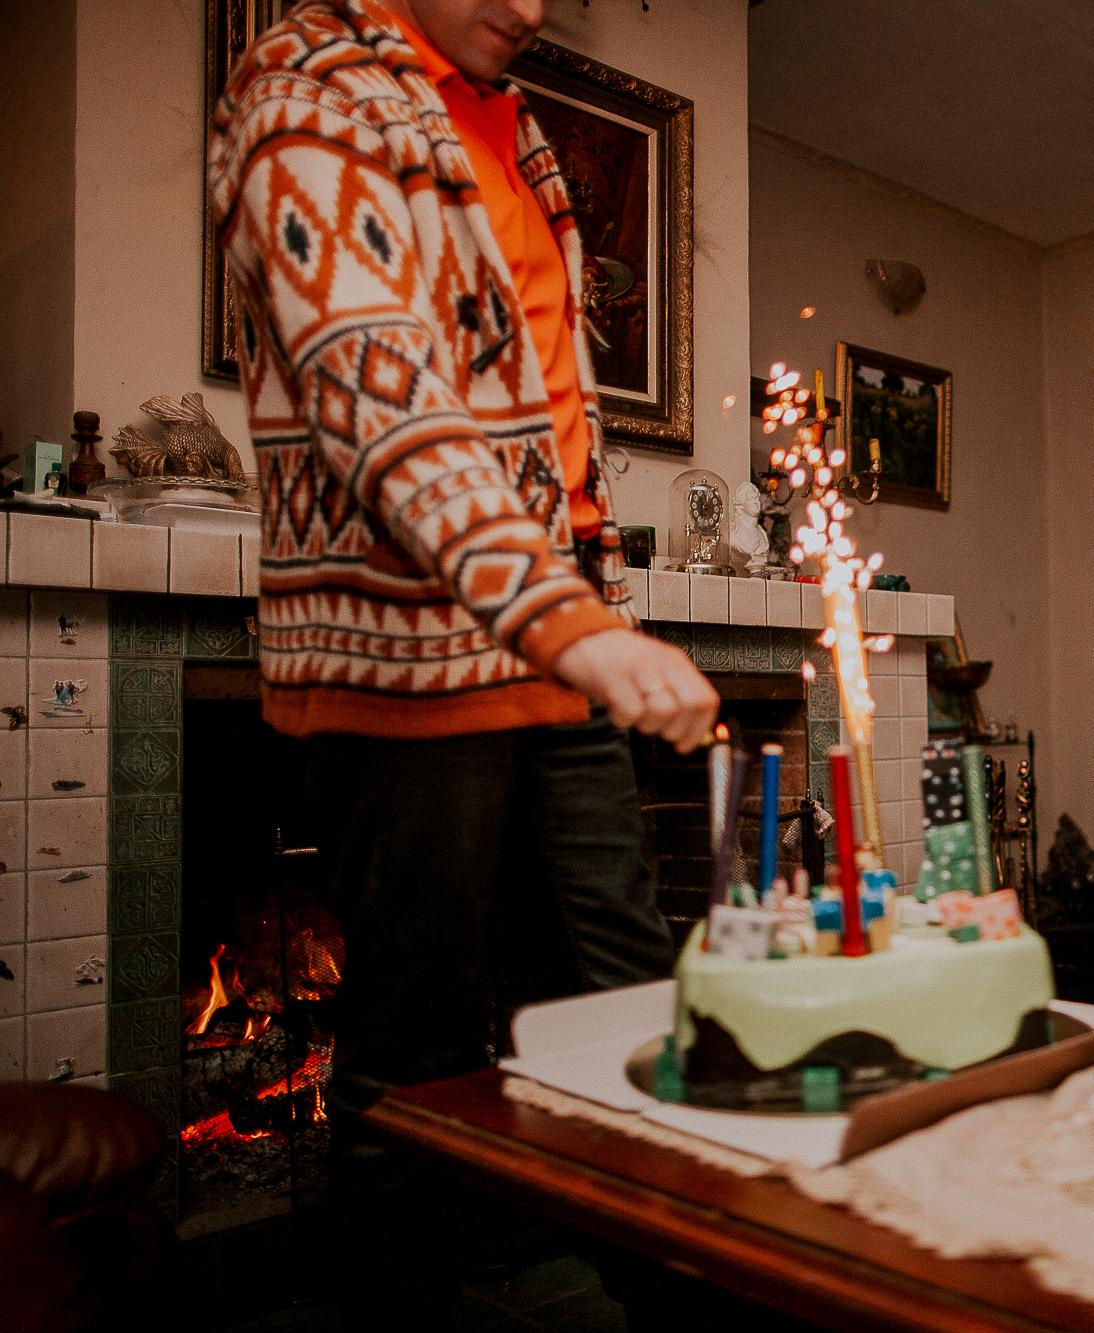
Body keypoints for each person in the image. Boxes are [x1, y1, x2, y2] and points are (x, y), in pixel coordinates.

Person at [208, 0, 719, 1313]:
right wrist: (567, 617)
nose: (534, 7)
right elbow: (381, 399)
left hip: (554, 641)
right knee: (422, 1047)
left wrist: (587, 598)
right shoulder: (310, 94)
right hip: (402, 660)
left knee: (623, 1002)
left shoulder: (514, 127)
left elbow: (541, 410)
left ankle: (657, 1281)